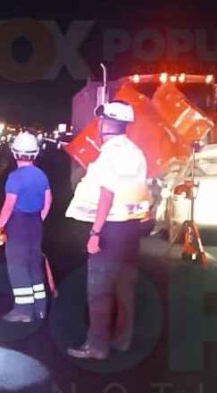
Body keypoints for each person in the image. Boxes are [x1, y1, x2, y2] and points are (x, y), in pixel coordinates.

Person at [63, 100, 151, 360]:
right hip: (131, 231)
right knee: (124, 286)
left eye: (101, 121)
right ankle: (122, 340)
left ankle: (97, 346)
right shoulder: (136, 152)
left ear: (105, 123)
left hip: (110, 230)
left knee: (100, 288)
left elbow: (106, 195)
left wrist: (95, 233)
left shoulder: (109, 154)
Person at [0, 131, 52, 322]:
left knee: (18, 267)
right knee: (33, 265)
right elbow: (48, 200)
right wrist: (39, 218)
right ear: (35, 153)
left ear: (15, 153)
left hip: (18, 224)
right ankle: (40, 308)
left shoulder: (15, 177)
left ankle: (24, 311)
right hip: (35, 224)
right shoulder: (41, 175)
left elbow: (8, 205)